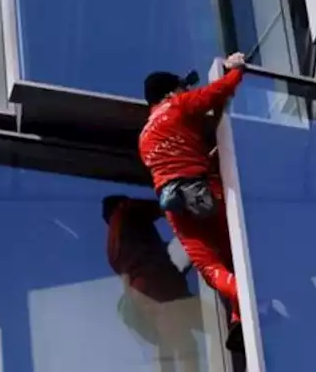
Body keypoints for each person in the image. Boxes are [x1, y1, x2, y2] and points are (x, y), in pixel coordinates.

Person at [139, 52, 247, 352]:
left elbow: (174, 161)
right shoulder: (177, 105)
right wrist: (236, 70)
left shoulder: (144, 137)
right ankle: (250, 301)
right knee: (237, 255)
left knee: (212, 268)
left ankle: (239, 318)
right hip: (205, 193)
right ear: (171, 92)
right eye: (182, 88)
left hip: (176, 208)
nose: (185, 92)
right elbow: (216, 94)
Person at [103, 195, 203, 372]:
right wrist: (188, 204)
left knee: (170, 341)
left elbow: (131, 270)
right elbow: (163, 207)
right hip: (158, 287)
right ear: (118, 204)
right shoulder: (125, 210)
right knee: (186, 338)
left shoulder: (112, 249)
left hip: (145, 295)